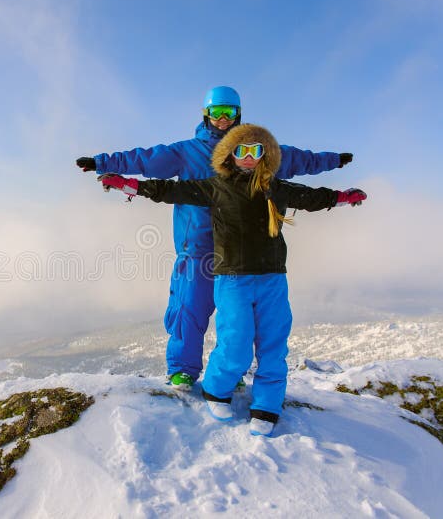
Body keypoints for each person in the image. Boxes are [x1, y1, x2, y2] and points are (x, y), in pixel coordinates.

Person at [97, 124, 366, 436]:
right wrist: (127, 185)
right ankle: (216, 388)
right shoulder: (216, 186)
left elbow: (311, 197)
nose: (249, 157)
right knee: (236, 342)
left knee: (273, 345)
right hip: (233, 278)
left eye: (256, 151)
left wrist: (343, 198)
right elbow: (168, 191)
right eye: (241, 150)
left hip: (272, 278)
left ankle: (267, 405)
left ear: (266, 155)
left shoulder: (274, 187)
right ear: (230, 154)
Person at [76, 86, 353, 390]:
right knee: (189, 307)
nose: (223, 119)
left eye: (230, 113)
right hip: (198, 247)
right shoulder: (186, 152)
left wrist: (333, 160)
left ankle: (228, 373)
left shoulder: (252, 151)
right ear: (206, 114)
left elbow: (298, 160)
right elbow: (144, 160)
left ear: (239, 115)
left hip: (238, 252)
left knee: (236, 319)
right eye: (217, 113)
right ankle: (182, 369)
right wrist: (103, 162)